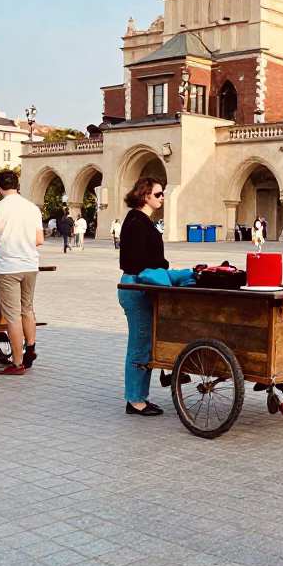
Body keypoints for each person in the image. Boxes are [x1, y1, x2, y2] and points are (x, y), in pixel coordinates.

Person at [0, 171, 44, 375]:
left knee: (12, 316)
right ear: (17, 185)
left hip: (8, 267)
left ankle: (17, 363)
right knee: (27, 309)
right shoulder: (32, 208)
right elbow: (39, 239)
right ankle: (30, 347)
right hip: (30, 264)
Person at [118, 177, 168, 416]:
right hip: (136, 287)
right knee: (139, 344)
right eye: (158, 194)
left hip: (140, 286)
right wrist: (163, 265)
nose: (162, 198)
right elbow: (134, 261)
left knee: (145, 342)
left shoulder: (142, 220)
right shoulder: (136, 222)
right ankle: (135, 400)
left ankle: (140, 396)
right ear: (145, 195)